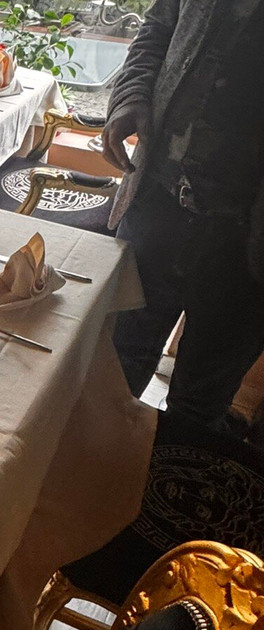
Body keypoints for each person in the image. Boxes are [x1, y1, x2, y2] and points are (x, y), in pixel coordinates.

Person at [102, 0, 264, 431]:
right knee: (111, 372)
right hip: (154, 206)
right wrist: (131, 96)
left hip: (247, 248)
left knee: (199, 409)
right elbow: (158, 29)